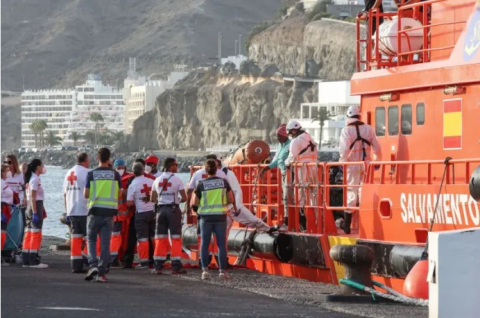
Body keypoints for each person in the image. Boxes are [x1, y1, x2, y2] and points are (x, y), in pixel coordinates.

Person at [338, 105, 382, 234]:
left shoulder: (346, 131)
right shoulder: (369, 129)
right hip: (366, 165)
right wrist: (377, 161)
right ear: (359, 115)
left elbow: (344, 150)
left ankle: (347, 226)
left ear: (348, 116)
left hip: (352, 166)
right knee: (364, 192)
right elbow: (378, 148)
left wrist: (342, 163)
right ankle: (366, 223)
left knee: (351, 192)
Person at [192, 159, 235, 280]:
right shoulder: (224, 182)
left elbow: (195, 203)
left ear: (206, 170)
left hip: (205, 218)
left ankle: (205, 271)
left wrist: (198, 210)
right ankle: (222, 271)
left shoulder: (201, 184)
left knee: (205, 244)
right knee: (221, 244)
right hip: (220, 216)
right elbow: (231, 199)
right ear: (216, 169)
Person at [83, 148, 122, 282]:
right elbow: (120, 194)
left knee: (91, 240)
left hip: (94, 211)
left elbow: (86, 194)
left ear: (97, 158)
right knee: (106, 243)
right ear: (109, 159)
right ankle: (102, 272)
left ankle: (92, 265)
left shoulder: (91, 174)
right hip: (109, 213)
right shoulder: (116, 175)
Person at [151, 157, 187, 275]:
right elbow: (185, 197)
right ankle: (175, 266)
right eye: (176, 165)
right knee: (175, 238)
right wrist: (177, 200)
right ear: (171, 166)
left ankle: (158, 266)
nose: (177, 167)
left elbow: (153, 199)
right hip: (173, 210)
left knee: (160, 238)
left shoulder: (157, 180)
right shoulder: (177, 180)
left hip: (160, 210)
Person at [284, 120, 318, 232]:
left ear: (293, 131)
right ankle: (317, 220)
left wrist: (286, 164)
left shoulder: (295, 141)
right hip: (313, 168)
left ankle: (303, 222)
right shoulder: (309, 137)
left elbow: (291, 157)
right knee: (314, 195)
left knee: (300, 195)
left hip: (302, 169)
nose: (290, 136)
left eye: (290, 133)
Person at [122, 158, 156, 268]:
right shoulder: (152, 181)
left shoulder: (133, 184)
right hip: (153, 212)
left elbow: (129, 203)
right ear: (143, 170)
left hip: (140, 213)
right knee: (153, 237)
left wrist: (138, 200)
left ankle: (144, 261)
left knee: (142, 238)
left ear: (133, 171)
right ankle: (157, 259)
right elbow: (157, 197)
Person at [259, 124, 292, 231]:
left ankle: (288, 223)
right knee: (285, 199)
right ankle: (287, 221)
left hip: (289, 173)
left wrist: (267, 168)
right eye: (277, 136)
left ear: (285, 135)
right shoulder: (281, 146)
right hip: (283, 174)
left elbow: (279, 160)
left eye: (279, 136)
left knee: (287, 198)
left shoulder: (289, 145)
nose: (278, 138)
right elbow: (276, 159)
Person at [63, 152, 90, 273]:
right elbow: (90, 191)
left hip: (72, 210)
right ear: (85, 160)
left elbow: (64, 194)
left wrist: (67, 211)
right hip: (84, 210)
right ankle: (88, 260)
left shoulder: (69, 173)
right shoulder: (86, 172)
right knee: (90, 238)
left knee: (76, 238)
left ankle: (76, 264)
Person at [22, 159, 48, 268]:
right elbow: (33, 197)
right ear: (38, 167)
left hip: (31, 207)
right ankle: (33, 260)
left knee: (28, 233)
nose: (43, 168)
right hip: (34, 206)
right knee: (35, 233)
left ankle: (26, 259)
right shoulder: (35, 179)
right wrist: (36, 213)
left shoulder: (32, 178)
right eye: (42, 166)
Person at [110, 158, 132, 267]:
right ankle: (113, 257)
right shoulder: (114, 178)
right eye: (119, 168)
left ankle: (118, 257)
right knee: (115, 236)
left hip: (125, 214)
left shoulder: (129, 178)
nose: (121, 170)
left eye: (122, 168)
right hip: (117, 215)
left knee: (122, 237)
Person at [1, 164, 14, 266]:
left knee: (3, 233)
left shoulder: (4, 183)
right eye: (6, 171)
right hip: (2, 208)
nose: (8, 173)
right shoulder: (1, 183)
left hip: (6, 207)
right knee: (1, 233)